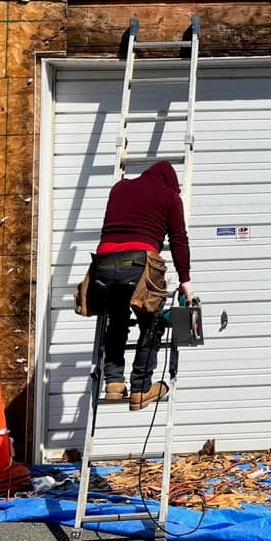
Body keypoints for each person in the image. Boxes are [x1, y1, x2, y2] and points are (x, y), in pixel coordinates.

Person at [88, 160, 192, 411]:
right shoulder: (169, 196)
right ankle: (141, 388)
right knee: (152, 323)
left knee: (116, 320)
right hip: (138, 266)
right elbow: (178, 239)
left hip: (102, 265)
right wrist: (185, 279)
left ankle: (113, 382)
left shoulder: (119, 188)